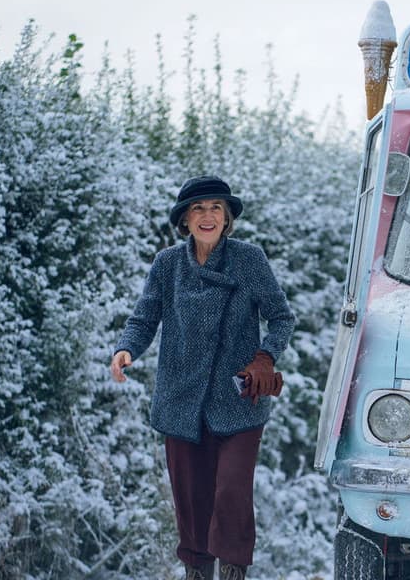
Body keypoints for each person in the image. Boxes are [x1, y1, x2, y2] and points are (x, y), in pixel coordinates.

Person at [110, 175, 296, 580]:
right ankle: (197, 570)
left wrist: (265, 356)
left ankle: (232, 569)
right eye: (198, 209)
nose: (207, 216)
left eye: (216, 208)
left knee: (230, 490)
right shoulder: (168, 265)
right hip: (180, 398)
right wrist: (126, 348)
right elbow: (145, 316)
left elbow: (282, 316)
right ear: (184, 220)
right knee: (190, 497)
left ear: (227, 218)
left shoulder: (248, 260)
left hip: (238, 396)